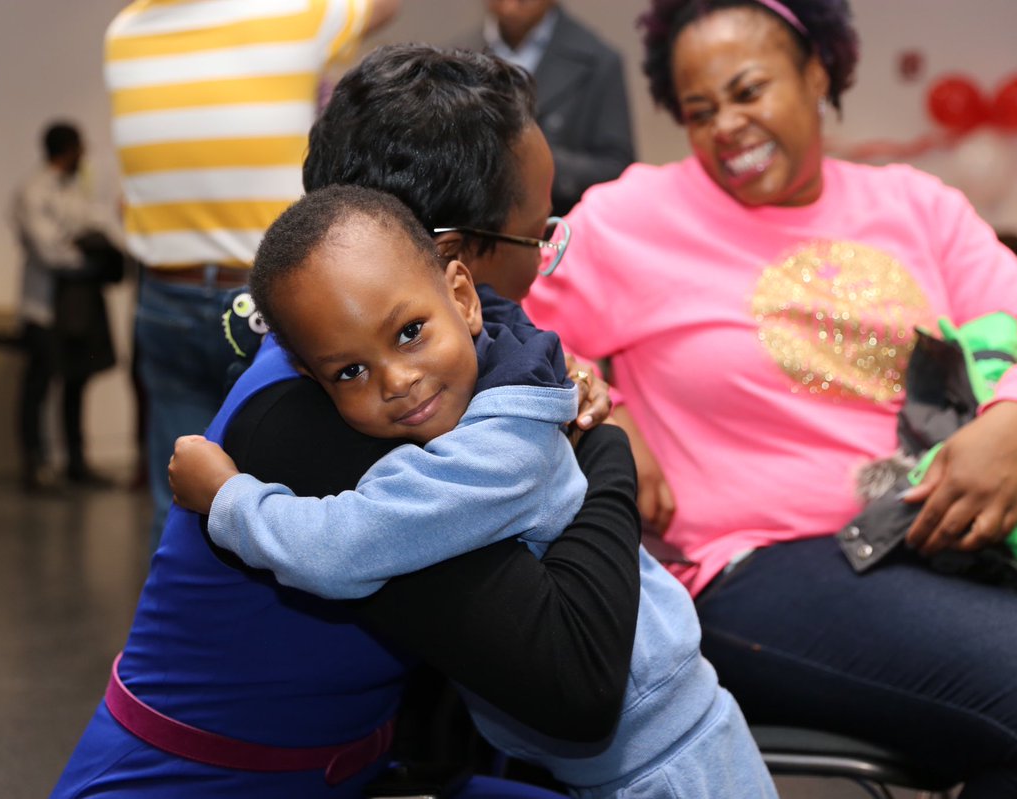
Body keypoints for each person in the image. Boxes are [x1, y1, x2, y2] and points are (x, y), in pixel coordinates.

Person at [51, 44, 646, 799]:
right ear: (456, 265)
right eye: (539, 237)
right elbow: (577, 682)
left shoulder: (360, 373)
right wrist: (607, 453)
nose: (541, 268)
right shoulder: (338, 425)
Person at [522, 0, 1017, 795]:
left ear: (817, 73)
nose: (727, 127)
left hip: (939, 539)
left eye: (749, 91)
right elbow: (501, 329)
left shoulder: (916, 206)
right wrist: (602, 404)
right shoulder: (632, 218)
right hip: (759, 565)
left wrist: (1016, 421)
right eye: (699, 110)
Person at [170, 184, 775, 798]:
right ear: (311, 377)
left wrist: (227, 500)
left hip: (666, 769)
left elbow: (342, 547)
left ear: (462, 297)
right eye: (350, 371)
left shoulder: (497, 454)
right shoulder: (511, 377)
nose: (398, 381)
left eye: (408, 333)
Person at [103, 0, 401, 547]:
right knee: (292, 496)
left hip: (165, 293)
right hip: (272, 306)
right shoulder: (299, 13)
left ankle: (179, 629)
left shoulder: (123, 33)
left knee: (178, 500)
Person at [11, 120, 122, 491]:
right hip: (44, 307)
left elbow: (95, 226)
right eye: (81, 147)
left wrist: (87, 244)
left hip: (78, 305)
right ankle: (36, 465)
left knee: (77, 380)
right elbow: (51, 250)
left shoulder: (75, 188)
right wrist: (87, 255)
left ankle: (76, 462)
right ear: (69, 149)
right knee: (39, 385)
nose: (85, 154)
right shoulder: (33, 191)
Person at [458, 1, 635, 214]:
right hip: (471, 230)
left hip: (560, 230)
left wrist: (528, 160)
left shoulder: (599, 62)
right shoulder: (453, 59)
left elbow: (618, 171)